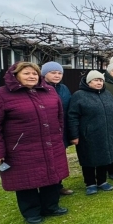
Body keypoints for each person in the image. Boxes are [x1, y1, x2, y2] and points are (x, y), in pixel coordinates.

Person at [0, 62, 69, 224]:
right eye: (26, 73)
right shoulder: (0, 95)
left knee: (52, 177)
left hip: (51, 144)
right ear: (15, 75)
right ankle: (32, 212)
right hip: (20, 149)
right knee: (26, 181)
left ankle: (51, 207)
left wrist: (57, 135)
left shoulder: (49, 91)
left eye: (34, 74)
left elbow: (59, 117)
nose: (31, 77)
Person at [68, 71, 113, 195]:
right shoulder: (79, 95)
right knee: (88, 158)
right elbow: (72, 116)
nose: (99, 82)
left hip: (107, 132)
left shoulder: (107, 94)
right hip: (88, 134)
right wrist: (74, 135)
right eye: (95, 80)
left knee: (105, 156)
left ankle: (102, 181)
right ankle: (90, 183)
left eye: (101, 80)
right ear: (88, 82)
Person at [41, 61, 74, 196]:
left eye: (59, 73)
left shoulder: (64, 89)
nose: (57, 75)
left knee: (59, 159)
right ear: (44, 74)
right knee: (46, 161)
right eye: (53, 72)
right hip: (46, 131)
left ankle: (58, 185)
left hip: (62, 130)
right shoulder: (39, 88)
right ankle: (46, 188)